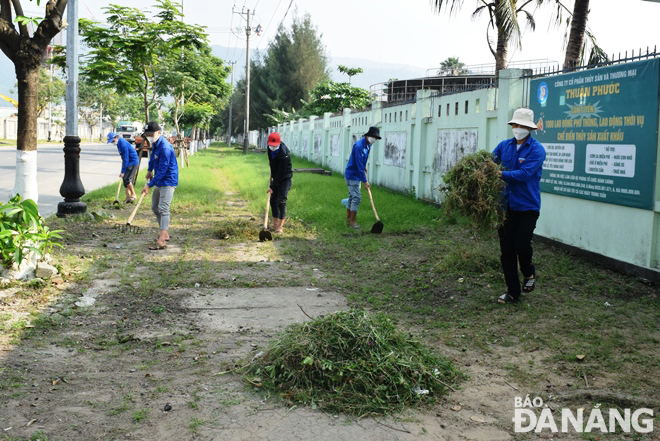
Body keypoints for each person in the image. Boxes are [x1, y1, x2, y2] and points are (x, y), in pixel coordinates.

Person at [492, 108, 546, 304]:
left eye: (522, 125)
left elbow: (524, 175)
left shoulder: (537, 150)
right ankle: (513, 292)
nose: (518, 128)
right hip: (504, 206)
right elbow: (490, 163)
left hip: (527, 207)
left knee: (522, 245)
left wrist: (500, 174)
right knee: (506, 251)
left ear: (529, 128)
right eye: (515, 124)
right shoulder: (503, 146)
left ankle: (528, 272)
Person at [142, 121, 178, 250]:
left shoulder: (165, 148)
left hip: (168, 180)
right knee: (154, 207)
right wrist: (149, 170)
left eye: (151, 134)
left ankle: (162, 240)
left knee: (163, 208)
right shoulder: (155, 144)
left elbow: (163, 170)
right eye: (147, 134)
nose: (149, 136)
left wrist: (149, 185)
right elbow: (152, 159)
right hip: (159, 179)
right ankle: (165, 233)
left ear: (159, 133)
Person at [344, 126, 381, 229]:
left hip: (356, 173)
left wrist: (364, 165)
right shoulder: (359, 146)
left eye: (376, 138)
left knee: (352, 197)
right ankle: (353, 221)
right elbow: (359, 166)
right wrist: (365, 181)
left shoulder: (368, 145)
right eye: (373, 137)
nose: (374, 139)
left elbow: (361, 161)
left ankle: (348, 220)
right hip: (352, 175)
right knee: (356, 197)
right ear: (368, 136)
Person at [266, 132, 293, 234]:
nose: (272, 147)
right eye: (271, 145)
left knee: (281, 201)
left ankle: (280, 227)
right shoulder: (269, 148)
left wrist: (272, 186)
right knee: (273, 200)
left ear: (279, 143)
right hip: (276, 176)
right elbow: (271, 162)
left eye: (274, 146)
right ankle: (275, 223)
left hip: (285, 178)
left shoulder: (284, 155)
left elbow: (281, 174)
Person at [108, 132, 139, 203]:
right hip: (128, 162)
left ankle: (134, 195)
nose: (112, 142)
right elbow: (124, 158)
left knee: (127, 179)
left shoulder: (122, 144)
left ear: (116, 138)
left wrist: (123, 171)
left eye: (112, 141)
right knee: (125, 180)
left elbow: (126, 158)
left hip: (132, 162)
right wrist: (123, 170)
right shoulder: (119, 143)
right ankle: (128, 197)